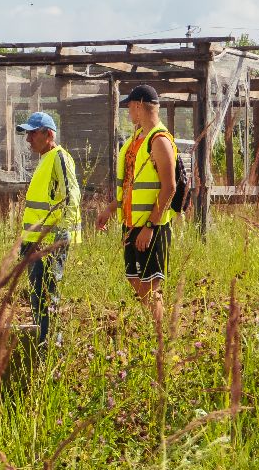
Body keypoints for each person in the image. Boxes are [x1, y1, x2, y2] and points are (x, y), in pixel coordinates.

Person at [95, 84, 177, 305]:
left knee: (151, 284)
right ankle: (152, 321)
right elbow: (131, 184)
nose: (128, 111)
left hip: (151, 226)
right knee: (134, 277)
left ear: (139, 105)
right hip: (131, 223)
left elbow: (169, 187)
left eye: (130, 106)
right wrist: (110, 209)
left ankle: (158, 326)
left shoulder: (159, 141)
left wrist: (150, 226)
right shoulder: (136, 140)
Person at [15, 111, 80, 343]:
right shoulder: (46, 159)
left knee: (47, 296)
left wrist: (60, 236)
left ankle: (51, 347)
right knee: (38, 297)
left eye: (33, 134)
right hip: (36, 242)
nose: (28, 139)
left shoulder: (59, 157)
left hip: (49, 242)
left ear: (48, 134)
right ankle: (44, 346)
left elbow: (72, 196)